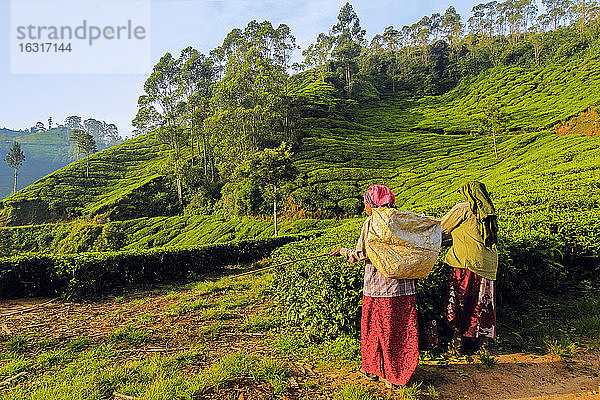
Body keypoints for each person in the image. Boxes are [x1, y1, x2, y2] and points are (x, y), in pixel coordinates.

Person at [330, 185, 419, 389]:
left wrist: (343, 252)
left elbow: (362, 253)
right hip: (404, 287)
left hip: (379, 289)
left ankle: (374, 369)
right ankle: (397, 372)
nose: (365, 207)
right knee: (399, 330)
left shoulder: (372, 222)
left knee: (376, 329)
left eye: (366, 203)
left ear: (373, 203)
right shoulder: (403, 219)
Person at [441, 181, 499, 353]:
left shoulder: (462, 209)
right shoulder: (489, 210)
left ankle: (457, 342)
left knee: (461, 302)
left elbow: (442, 228)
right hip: (488, 265)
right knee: (483, 304)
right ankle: (483, 345)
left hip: (466, 263)